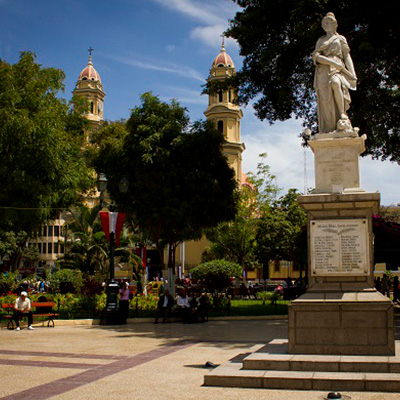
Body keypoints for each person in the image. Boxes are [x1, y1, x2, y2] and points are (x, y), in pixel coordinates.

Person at [312, 12, 357, 133]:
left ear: (334, 24)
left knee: (336, 83)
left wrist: (352, 73)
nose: (325, 25)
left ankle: (342, 114)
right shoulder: (320, 41)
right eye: (324, 23)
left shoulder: (340, 39)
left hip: (337, 69)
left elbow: (347, 57)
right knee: (325, 99)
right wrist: (330, 62)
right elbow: (316, 57)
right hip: (323, 70)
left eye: (327, 23)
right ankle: (329, 126)